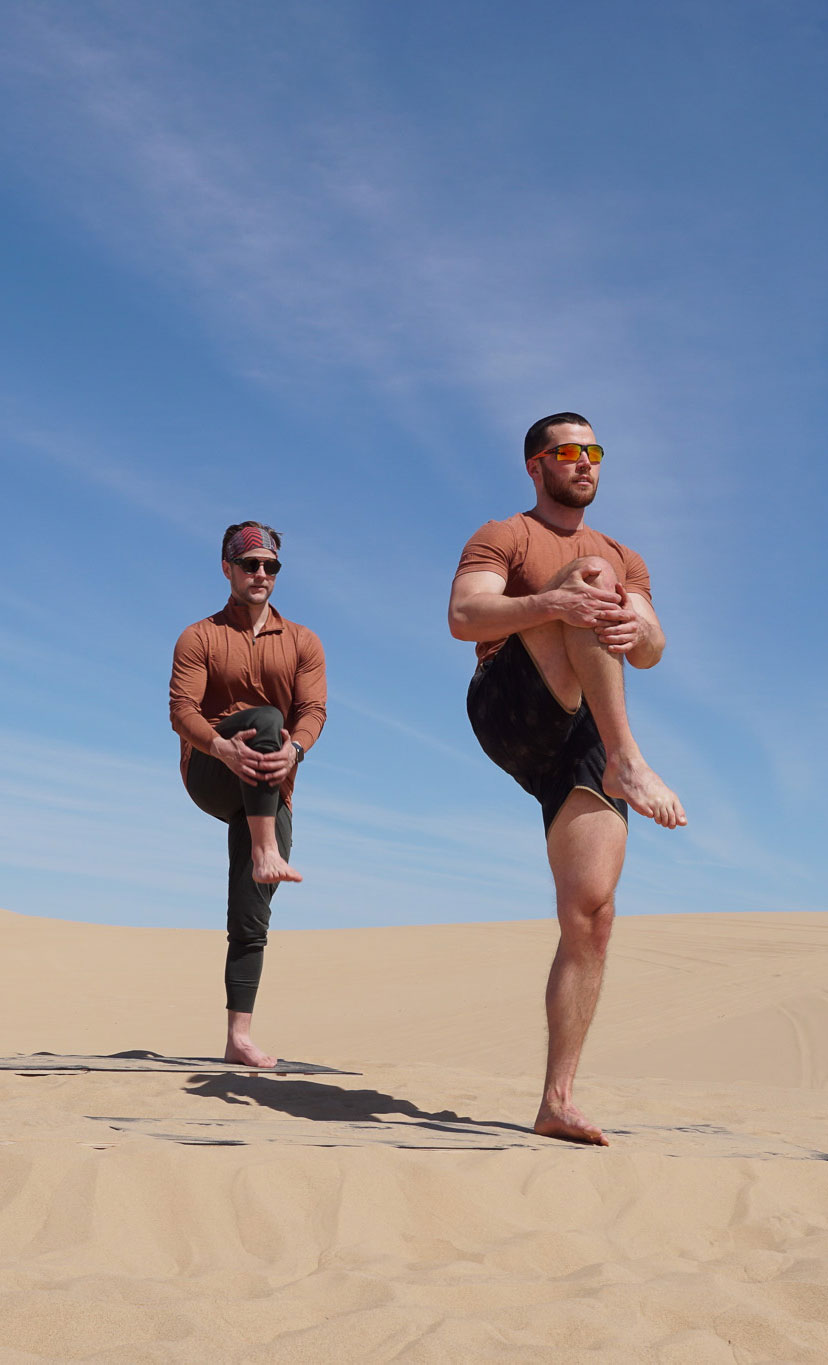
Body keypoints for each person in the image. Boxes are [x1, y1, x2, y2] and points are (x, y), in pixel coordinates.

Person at [448, 412, 686, 1145]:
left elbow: (650, 646)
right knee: (585, 581)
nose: (584, 463)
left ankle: (557, 1099)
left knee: (591, 912)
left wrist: (631, 627)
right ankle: (628, 757)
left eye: (594, 452)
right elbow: (464, 613)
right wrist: (555, 601)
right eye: (568, 452)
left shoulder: (623, 553)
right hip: (511, 702)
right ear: (536, 465)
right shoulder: (505, 534)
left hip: (581, 730)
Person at [170, 520, 326, 1067]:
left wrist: (297, 752)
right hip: (211, 772)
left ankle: (239, 1037)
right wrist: (220, 747)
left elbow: (314, 713)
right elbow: (181, 711)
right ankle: (265, 851)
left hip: (271, 787)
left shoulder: (304, 641)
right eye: (250, 564)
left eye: (270, 566)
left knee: (251, 916)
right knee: (264, 718)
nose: (261, 574)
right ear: (227, 568)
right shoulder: (200, 636)